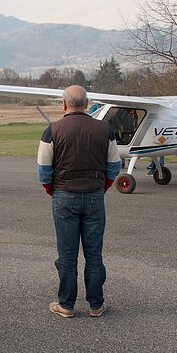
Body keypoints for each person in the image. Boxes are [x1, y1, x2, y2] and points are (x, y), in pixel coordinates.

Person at [37, 85, 121, 318]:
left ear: (64, 104)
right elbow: (114, 165)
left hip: (64, 194)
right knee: (94, 254)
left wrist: (51, 189)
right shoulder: (105, 129)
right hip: (94, 194)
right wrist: (103, 186)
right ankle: (96, 303)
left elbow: (44, 169)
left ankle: (66, 304)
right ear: (87, 104)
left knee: (67, 254)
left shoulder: (52, 130)